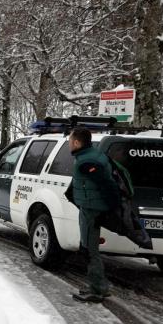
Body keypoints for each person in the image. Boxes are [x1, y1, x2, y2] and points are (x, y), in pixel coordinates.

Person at [65, 126, 121, 303]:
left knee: (90, 251)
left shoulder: (87, 161)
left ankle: (96, 290)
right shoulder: (91, 155)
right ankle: (98, 287)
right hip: (90, 208)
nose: (68, 144)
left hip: (92, 210)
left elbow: (106, 184)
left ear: (76, 142)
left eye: (69, 141)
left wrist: (112, 207)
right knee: (90, 249)